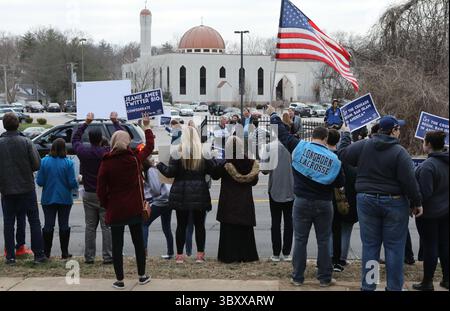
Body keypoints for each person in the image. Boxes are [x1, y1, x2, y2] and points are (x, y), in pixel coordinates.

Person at [338, 116, 423, 291]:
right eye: (398, 129)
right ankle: (393, 288)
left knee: (370, 246)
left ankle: (369, 286)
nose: (399, 132)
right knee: (394, 248)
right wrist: (417, 202)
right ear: (393, 131)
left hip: (366, 201)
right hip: (395, 203)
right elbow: (410, 181)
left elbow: (343, 154)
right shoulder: (400, 152)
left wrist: (345, 135)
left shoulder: (364, 146)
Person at [267, 105, 345, 287]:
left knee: (300, 240)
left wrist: (272, 114)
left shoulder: (299, 147)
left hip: (301, 201)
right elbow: (340, 182)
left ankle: (297, 277)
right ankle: (325, 278)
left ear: (312, 137)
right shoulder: (334, 159)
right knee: (324, 240)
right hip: (324, 203)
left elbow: (281, 133)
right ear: (326, 139)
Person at [97, 114, 154, 289]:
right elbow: (150, 146)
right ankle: (142, 275)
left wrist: (107, 203)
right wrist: (146, 127)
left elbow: (100, 190)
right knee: (138, 242)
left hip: (116, 209)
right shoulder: (134, 160)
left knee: (117, 244)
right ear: (128, 142)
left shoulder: (106, 163)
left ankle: (120, 279)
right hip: (135, 208)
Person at [157, 126, 216, 264]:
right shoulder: (203, 152)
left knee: (181, 225)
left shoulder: (178, 152)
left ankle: (179, 256)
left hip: (181, 192)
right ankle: (200, 255)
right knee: (200, 225)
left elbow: (170, 172)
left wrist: (159, 165)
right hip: (200, 191)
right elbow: (212, 170)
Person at [72, 112, 123, 264]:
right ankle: (107, 257)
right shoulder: (107, 153)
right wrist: (115, 122)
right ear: (101, 139)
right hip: (105, 194)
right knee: (106, 227)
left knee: (90, 227)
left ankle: (89, 257)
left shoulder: (83, 152)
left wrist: (86, 122)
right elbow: (122, 139)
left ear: (90, 139)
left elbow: (74, 138)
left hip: (88, 193)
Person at [0, 113, 47, 264]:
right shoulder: (26, 142)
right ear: (18, 124)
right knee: (34, 221)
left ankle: (10, 257)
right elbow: (36, 164)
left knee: (8, 222)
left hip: (7, 189)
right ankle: (38, 255)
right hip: (27, 188)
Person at [213, 136, 259, 263]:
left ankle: (228, 256)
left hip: (228, 201)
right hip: (245, 202)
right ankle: (247, 255)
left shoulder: (225, 162)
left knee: (228, 231)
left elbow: (215, 176)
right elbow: (254, 181)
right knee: (245, 231)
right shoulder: (249, 162)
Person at [413, 131, 449, 291]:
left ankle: (427, 282)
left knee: (430, 246)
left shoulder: (428, 166)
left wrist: (414, 203)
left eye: (424, 141)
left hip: (429, 214)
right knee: (445, 245)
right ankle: (447, 280)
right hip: (447, 212)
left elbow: (425, 193)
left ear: (428, 144)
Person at [36, 138, 78, 259]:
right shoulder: (69, 163)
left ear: (52, 148)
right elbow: (71, 183)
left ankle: (46, 252)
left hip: (48, 198)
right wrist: (78, 180)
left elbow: (40, 182)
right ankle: (64, 252)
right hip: (64, 199)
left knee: (48, 226)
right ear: (64, 149)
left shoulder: (43, 161)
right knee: (64, 225)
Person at [336, 127, 368, 268]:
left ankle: (334, 257)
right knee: (346, 231)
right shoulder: (360, 165)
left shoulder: (341, 161)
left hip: (339, 202)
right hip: (353, 204)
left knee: (335, 231)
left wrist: (346, 134)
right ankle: (342, 258)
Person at [260, 138, 294, 262]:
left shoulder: (269, 147)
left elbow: (264, 169)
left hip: (275, 188)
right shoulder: (294, 146)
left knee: (275, 222)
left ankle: (275, 253)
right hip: (291, 188)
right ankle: (287, 252)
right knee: (289, 221)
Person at [141, 158, 174, 259]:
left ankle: (143, 251)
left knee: (144, 223)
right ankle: (170, 252)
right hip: (168, 200)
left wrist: (149, 195)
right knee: (166, 227)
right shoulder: (153, 169)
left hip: (160, 201)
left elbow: (156, 189)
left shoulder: (150, 171)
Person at [326, 129, 345, 272]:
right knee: (337, 230)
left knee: (324, 231)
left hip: (324, 196)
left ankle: (325, 259)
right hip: (337, 198)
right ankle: (337, 260)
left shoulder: (323, 155)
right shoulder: (340, 157)